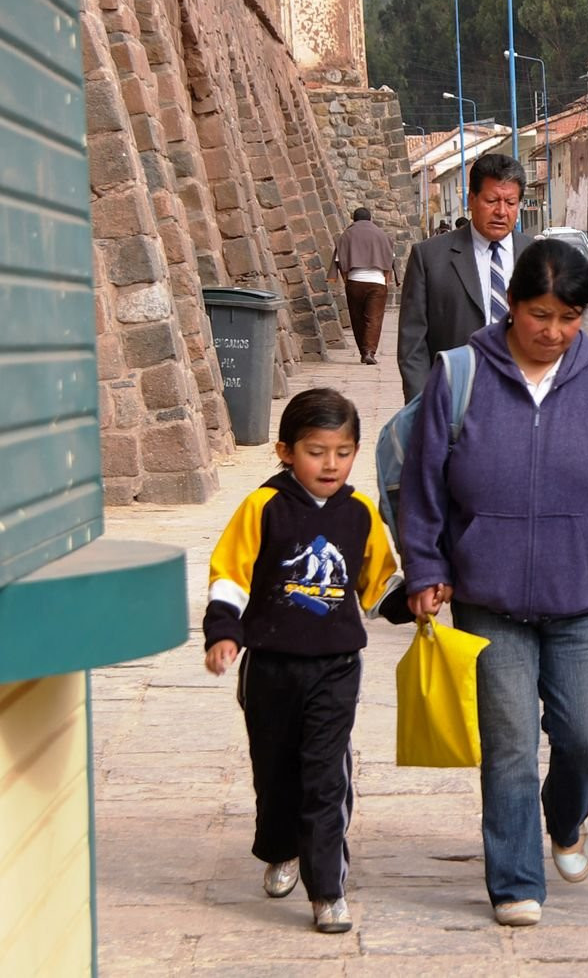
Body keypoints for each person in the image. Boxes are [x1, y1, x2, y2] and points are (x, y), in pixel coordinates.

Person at [400, 239, 588, 928]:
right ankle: (516, 880)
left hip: (581, 595)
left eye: (569, 318)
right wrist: (427, 568)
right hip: (488, 599)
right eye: (540, 315)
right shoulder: (460, 374)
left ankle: (566, 817)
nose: (553, 332)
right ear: (512, 306)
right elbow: (425, 485)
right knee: (511, 746)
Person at [201, 388, 399, 935]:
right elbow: (230, 574)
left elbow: (378, 583)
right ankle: (280, 847)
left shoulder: (360, 512)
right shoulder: (263, 507)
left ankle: (327, 889)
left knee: (325, 777)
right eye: (316, 451)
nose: (331, 463)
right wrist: (223, 633)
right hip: (268, 668)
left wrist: (412, 600)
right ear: (286, 451)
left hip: (335, 666)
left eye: (343, 451)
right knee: (276, 772)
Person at [397, 154, 534, 402]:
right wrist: (421, 407)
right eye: (491, 200)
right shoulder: (429, 258)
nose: (501, 211)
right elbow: (412, 345)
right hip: (456, 401)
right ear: (471, 199)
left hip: (524, 399)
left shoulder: (537, 255)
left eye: (511, 203)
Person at [332, 207, 395, 365]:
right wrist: (386, 281)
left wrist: (346, 280)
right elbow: (390, 261)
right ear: (370, 219)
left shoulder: (346, 235)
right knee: (373, 319)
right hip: (377, 282)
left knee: (357, 318)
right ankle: (369, 352)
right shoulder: (382, 235)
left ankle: (363, 350)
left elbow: (339, 262)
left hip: (354, 281)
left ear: (353, 219)